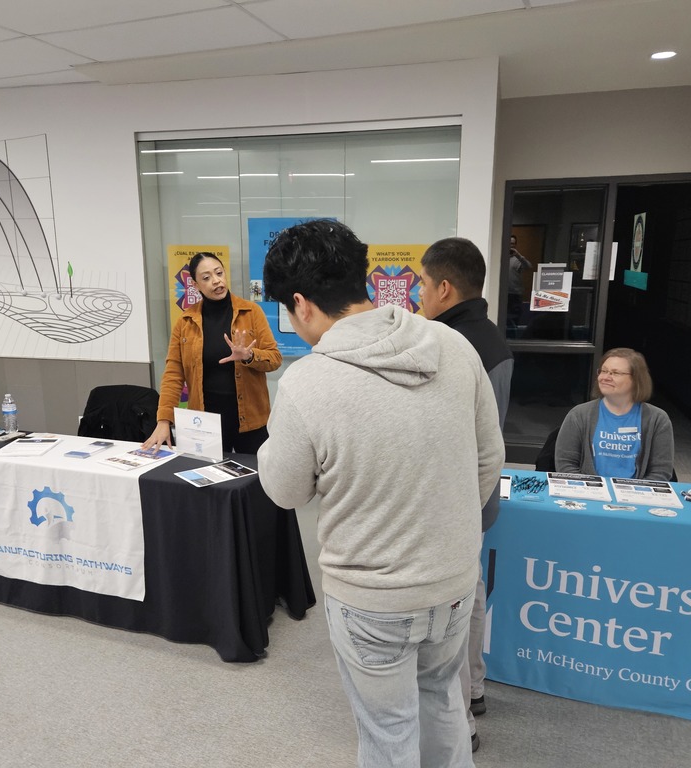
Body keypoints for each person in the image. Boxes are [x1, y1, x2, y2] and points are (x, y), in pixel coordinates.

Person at [257, 220, 505, 768]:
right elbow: (489, 459)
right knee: (443, 704)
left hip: (372, 596)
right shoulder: (453, 346)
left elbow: (286, 490)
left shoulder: (306, 382)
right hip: (454, 579)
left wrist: (268, 451)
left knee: (387, 732)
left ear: (301, 303)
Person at [419, 236, 510, 752]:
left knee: (447, 615)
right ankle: (474, 689)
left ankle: (461, 725)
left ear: (445, 287)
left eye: (423, 285)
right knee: (470, 595)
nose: (418, 295)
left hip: (454, 498)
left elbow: (466, 441)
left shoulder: (448, 346)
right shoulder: (491, 336)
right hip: (477, 496)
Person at [142, 252, 281, 454]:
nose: (216, 281)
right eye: (206, 278)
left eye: (219, 273)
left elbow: (274, 359)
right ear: (196, 285)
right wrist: (164, 420)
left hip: (251, 420)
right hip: (204, 422)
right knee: (206, 480)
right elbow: (173, 374)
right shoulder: (185, 322)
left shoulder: (251, 312)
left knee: (257, 480)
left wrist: (249, 356)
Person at [554, 347, 674, 480]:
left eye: (615, 373)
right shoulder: (579, 414)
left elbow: (661, 471)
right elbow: (565, 464)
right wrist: (593, 490)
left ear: (636, 379)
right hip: (590, 493)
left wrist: (632, 495)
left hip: (636, 495)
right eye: (603, 371)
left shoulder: (657, 419)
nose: (605, 377)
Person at [507, 234, 531, 329]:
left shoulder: (518, 260)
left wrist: (519, 255)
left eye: (513, 244)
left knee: (514, 320)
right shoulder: (500, 257)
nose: (511, 246)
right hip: (503, 295)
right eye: (509, 243)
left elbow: (528, 266)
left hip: (515, 295)